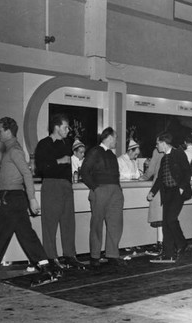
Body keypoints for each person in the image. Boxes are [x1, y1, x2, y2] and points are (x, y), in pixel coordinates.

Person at [0, 117, 62, 287]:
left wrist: (32, 200)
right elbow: (11, 175)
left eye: (0, 130)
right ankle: (46, 269)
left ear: (8, 131)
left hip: (12, 199)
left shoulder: (14, 151)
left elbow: (26, 174)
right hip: (12, 198)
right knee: (23, 235)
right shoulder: (10, 151)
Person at [35, 114, 84, 270]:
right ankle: (51, 258)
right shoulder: (44, 144)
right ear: (56, 127)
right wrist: (59, 161)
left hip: (66, 185)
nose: (68, 130)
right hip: (51, 185)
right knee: (50, 224)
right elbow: (40, 168)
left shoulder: (67, 143)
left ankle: (70, 256)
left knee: (68, 222)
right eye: (65, 127)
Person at [81, 127, 125, 267]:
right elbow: (84, 171)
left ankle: (112, 254)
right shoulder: (94, 152)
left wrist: (118, 189)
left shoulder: (112, 155)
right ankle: (95, 256)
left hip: (115, 192)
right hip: (100, 190)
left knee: (115, 223)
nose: (116, 141)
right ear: (109, 137)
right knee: (97, 224)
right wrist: (95, 188)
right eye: (116, 138)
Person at [147, 132, 192, 263]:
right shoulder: (164, 158)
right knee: (166, 222)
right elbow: (160, 178)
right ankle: (168, 253)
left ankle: (182, 244)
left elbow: (187, 171)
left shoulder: (178, 153)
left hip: (177, 192)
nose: (156, 146)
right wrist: (152, 192)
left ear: (163, 143)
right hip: (167, 193)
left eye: (157, 143)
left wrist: (182, 187)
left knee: (171, 219)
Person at [140, 147, 165, 256]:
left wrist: (143, 177)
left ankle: (160, 246)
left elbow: (151, 170)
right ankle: (165, 245)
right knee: (165, 218)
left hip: (158, 187)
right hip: (170, 187)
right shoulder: (175, 150)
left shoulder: (157, 151)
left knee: (159, 219)